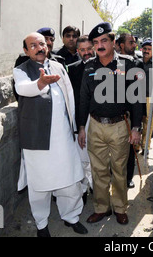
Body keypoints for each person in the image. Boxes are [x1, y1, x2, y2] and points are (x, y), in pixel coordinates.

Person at [13, 32, 88, 237]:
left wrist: (75, 126)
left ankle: (71, 217)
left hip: (63, 137)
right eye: (33, 45)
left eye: (42, 44)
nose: (39, 47)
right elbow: (23, 89)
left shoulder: (57, 66)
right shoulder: (20, 70)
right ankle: (41, 224)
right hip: (37, 140)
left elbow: (69, 95)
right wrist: (40, 83)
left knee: (69, 181)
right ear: (26, 50)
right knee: (40, 186)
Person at [78, 22, 143, 225]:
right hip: (96, 126)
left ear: (114, 42)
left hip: (119, 126)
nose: (100, 46)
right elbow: (83, 99)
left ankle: (120, 208)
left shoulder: (127, 65)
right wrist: (81, 127)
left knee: (119, 171)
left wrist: (136, 128)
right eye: (96, 42)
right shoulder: (89, 67)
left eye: (104, 40)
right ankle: (101, 208)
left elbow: (137, 100)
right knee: (98, 171)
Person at [67, 35, 95, 204]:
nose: (86, 53)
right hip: (81, 121)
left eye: (89, 49)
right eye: (82, 50)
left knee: (99, 159)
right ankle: (83, 190)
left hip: (101, 120)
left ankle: (99, 192)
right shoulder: (71, 69)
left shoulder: (105, 66)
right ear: (77, 51)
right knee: (82, 159)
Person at [117, 33, 144, 188]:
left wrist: (138, 120)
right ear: (121, 45)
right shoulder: (115, 62)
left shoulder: (137, 63)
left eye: (134, 42)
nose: (134, 45)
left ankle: (128, 178)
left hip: (132, 111)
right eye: (131, 42)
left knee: (130, 147)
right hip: (117, 112)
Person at [13, 27, 66, 101]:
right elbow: (19, 87)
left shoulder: (59, 61)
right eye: (46, 39)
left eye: (51, 39)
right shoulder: (24, 60)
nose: (49, 42)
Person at [138, 39, 153, 155]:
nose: (147, 51)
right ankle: (135, 146)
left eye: (149, 49)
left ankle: (145, 147)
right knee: (136, 121)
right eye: (145, 49)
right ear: (141, 49)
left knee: (148, 123)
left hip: (150, 97)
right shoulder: (137, 62)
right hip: (136, 96)